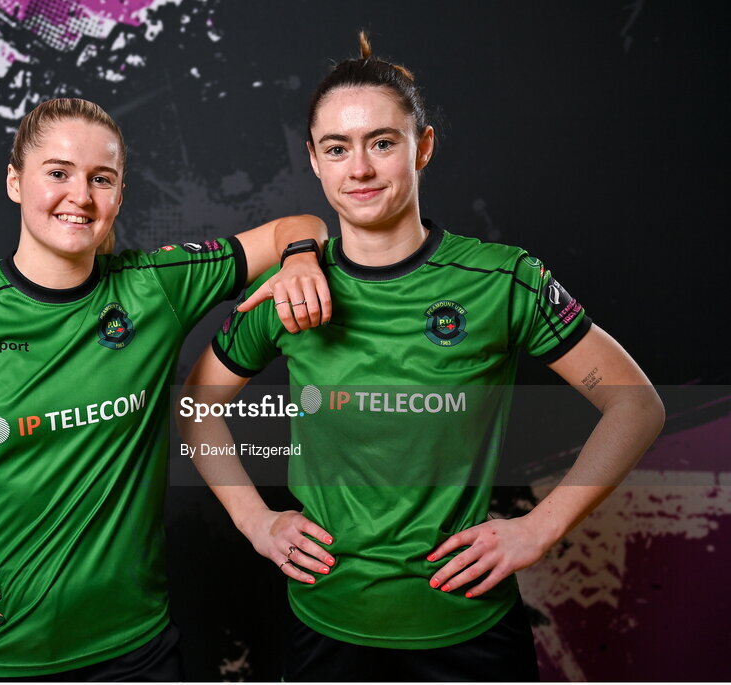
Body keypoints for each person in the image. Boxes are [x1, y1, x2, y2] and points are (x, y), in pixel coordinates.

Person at [0, 97, 333, 681]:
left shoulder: (155, 288)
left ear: (119, 195)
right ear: (16, 182)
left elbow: (297, 226)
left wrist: (300, 258)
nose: (81, 196)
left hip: (135, 651)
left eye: (102, 179)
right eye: (58, 173)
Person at [178, 34, 665, 681]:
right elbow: (194, 408)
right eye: (336, 148)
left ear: (423, 147)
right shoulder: (289, 291)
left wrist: (538, 528)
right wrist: (255, 521)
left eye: (381, 142)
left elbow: (634, 404)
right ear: (314, 162)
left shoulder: (500, 278)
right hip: (323, 627)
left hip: (468, 630)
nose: (359, 169)